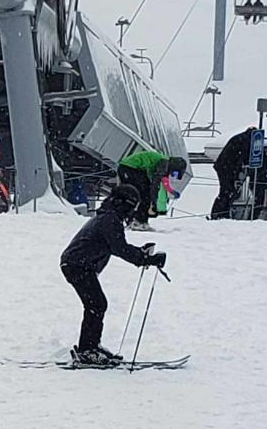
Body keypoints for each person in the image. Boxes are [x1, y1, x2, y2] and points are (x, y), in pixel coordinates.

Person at [60, 184, 167, 366]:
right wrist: (145, 259)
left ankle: (91, 346)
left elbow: (118, 246)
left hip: (78, 264)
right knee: (96, 304)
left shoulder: (108, 217)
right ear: (121, 203)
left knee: (96, 304)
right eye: (130, 208)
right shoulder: (110, 220)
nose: (131, 213)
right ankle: (87, 350)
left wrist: (141, 254)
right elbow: (119, 248)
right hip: (77, 265)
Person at [117, 149, 187, 229]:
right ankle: (139, 221)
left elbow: (155, 181)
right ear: (175, 166)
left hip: (131, 168)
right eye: (174, 173)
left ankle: (133, 219)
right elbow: (155, 183)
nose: (171, 175)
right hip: (130, 168)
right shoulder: (164, 163)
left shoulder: (164, 161)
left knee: (135, 194)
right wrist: (154, 201)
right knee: (145, 195)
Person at [210, 127, 255, 220]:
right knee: (228, 191)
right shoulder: (246, 141)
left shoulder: (241, 138)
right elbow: (242, 158)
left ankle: (221, 213)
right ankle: (219, 214)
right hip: (227, 168)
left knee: (228, 191)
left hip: (224, 166)